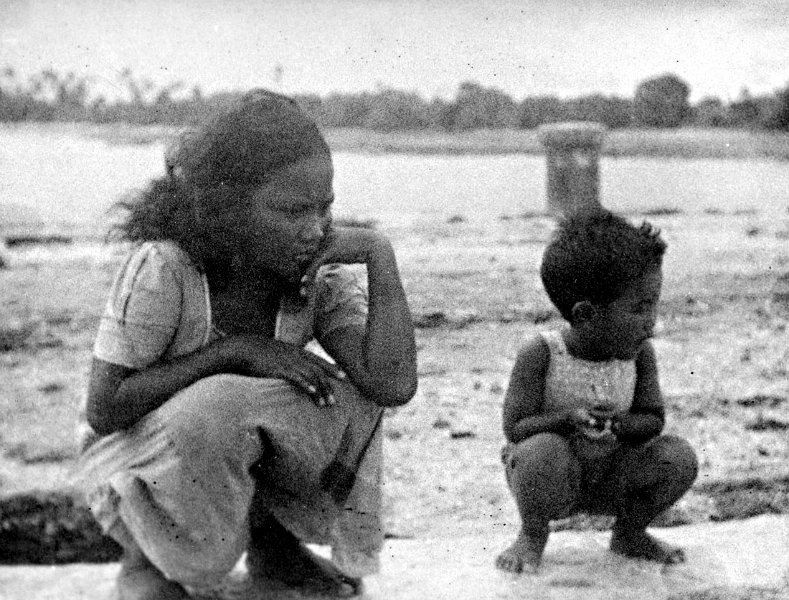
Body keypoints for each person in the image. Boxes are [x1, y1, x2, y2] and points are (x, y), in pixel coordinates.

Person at [75, 89, 417, 599]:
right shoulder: (167, 267)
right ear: (229, 210)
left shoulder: (315, 272)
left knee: (349, 401)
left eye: (325, 209)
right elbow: (105, 409)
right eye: (294, 211)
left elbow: (390, 384)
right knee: (223, 403)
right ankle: (144, 557)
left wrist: (378, 254)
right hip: (135, 464)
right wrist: (232, 354)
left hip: (219, 458)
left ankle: (272, 544)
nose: (316, 229)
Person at [495, 209, 698, 575]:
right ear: (586, 314)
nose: (652, 321)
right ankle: (532, 534)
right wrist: (566, 421)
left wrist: (620, 425)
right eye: (639, 307)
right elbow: (516, 429)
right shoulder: (542, 353)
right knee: (540, 450)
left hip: (612, 476)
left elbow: (653, 420)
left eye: (653, 304)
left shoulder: (638, 356)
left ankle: (630, 532)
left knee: (678, 457)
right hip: (553, 478)